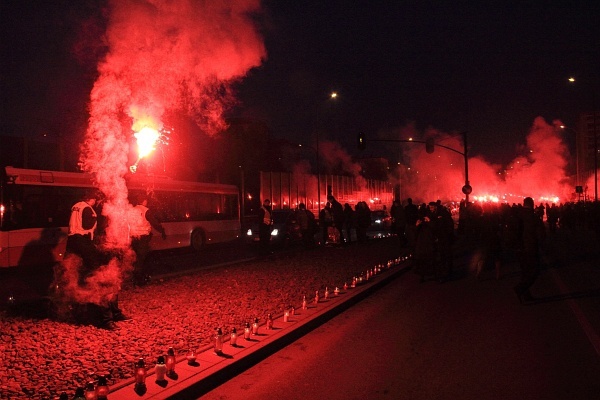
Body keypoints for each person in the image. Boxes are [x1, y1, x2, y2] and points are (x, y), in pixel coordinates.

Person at [65, 190, 127, 329]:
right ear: (91, 199)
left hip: (72, 243)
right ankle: (106, 318)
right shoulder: (88, 208)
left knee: (78, 277)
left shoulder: (76, 206)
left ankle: (82, 312)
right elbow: (88, 226)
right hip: (83, 241)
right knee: (101, 276)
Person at [513, 197, 546, 303]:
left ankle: (526, 295)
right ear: (532, 204)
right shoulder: (534, 217)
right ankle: (520, 288)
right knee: (535, 271)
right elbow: (541, 234)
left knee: (524, 272)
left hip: (519, 248)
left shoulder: (517, 215)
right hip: (530, 248)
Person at [129, 195, 167, 286]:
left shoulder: (132, 210)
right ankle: (140, 280)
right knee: (142, 258)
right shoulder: (146, 211)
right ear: (144, 201)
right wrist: (162, 231)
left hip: (133, 237)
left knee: (136, 258)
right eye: (146, 201)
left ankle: (134, 279)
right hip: (143, 237)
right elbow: (154, 223)